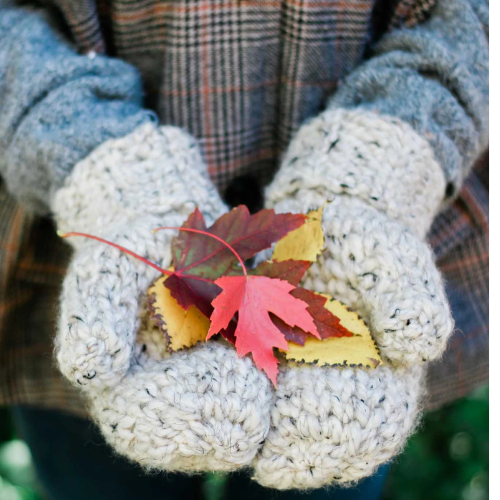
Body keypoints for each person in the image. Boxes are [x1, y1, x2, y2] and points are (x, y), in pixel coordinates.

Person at [0, 0, 488, 499]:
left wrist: (383, 158)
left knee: (327, 452)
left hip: (392, 243)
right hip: (62, 267)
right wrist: (104, 167)